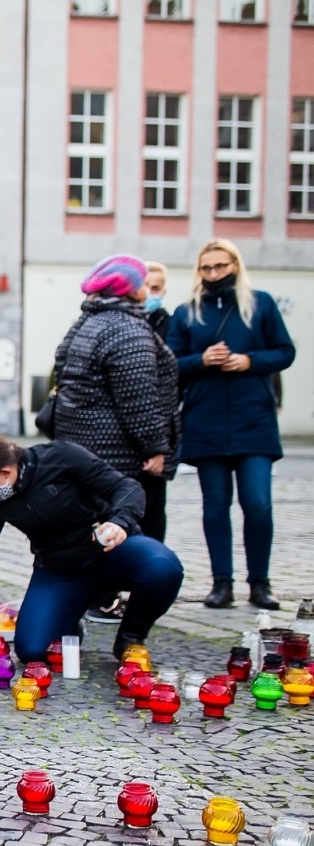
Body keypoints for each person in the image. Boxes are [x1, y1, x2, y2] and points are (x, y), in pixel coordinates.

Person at [0, 435, 184, 664]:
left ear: (4, 472)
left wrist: (120, 521)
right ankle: (70, 623)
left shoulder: (61, 457)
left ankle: (131, 637)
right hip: (61, 570)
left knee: (163, 567)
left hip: (112, 550)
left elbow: (126, 487)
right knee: (33, 651)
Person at [167, 240, 296, 610]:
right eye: (206, 268)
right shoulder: (186, 312)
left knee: (257, 503)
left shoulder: (261, 304)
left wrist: (249, 361)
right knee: (215, 504)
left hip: (253, 418)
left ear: (235, 266)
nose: (213, 274)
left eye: (220, 266)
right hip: (205, 419)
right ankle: (221, 582)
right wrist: (203, 359)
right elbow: (172, 361)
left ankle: (260, 583)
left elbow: (285, 351)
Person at [49, 255, 178, 623]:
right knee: (128, 523)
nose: (147, 287)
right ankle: (109, 600)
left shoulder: (87, 321)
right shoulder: (126, 329)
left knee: (95, 522)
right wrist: (155, 446)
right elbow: (139, 397)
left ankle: (94, 597)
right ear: (130, 288)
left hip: (83, 444)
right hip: (118, 449)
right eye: (143, 281)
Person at [142, 260, 171, 342]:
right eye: (144, 287)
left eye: (155, 288)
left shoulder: (171, 324)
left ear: (163, 292)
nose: (148, 293)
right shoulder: (122, 321)